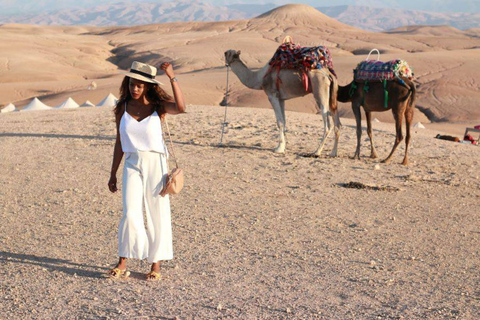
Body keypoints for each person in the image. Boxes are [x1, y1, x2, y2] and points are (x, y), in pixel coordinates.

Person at [108, 61, 185, 280]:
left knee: (156, 212)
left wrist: (172, 77)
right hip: (132, 162)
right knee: (130, 211)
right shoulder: (121, 107)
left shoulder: (158, 106)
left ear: (148, 86)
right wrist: (113, 172)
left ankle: (156, 264)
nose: (135, 88)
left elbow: (180, 107)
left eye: (140, 85)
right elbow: (119, 141)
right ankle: (123, 261)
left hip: (155, 163)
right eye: (132, 84)